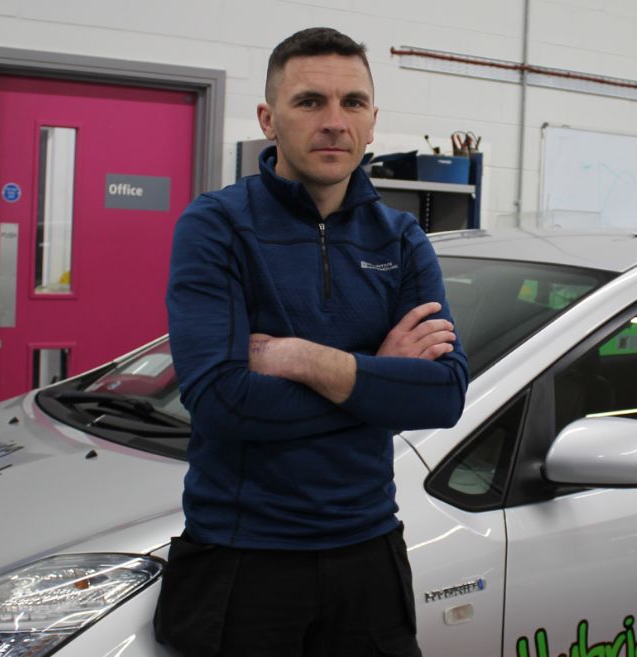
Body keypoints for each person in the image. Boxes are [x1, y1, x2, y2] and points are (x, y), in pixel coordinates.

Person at [154, 27, 468, 657]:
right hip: (243, 559)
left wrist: (302, 358)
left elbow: (443, 396)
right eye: (309, 102)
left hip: (369, 552)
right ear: (269, 119)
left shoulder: (401, 239)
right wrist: (378, 379)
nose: (334, 121)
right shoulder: (217, 226)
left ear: (373, 123)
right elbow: (220, 399)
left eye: (352, 103)